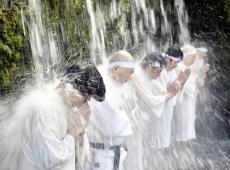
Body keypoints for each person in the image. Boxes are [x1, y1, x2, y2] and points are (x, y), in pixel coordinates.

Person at [0, 63, 105, 170]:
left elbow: (82, 159)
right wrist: (73, 133)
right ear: (70, 87)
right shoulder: (43, 109)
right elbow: (50, 161)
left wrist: (81, 132)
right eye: (85, 96)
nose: (87, 102)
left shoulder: (70, 108)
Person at [86, 50, 135, 170]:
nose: (131, 76)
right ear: (115, 69)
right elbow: (112, 122)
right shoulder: (103, 86)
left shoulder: (112, 83)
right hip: (104, 155)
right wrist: (129, 105)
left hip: (110, 151)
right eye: (129, 72)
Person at [172, 45, 209, 142]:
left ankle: (184, 154)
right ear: (186, 56)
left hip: (188, 106)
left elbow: (199, 83)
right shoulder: (179, 67)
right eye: (192, 57)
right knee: (181, 132)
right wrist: (201, 74)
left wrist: (202, 74)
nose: (194, 59)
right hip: (181, 105)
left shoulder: (188, 67)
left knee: (187, 130)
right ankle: (178, 154)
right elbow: (189, 87)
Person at [157, 44, 190, 148]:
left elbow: (176, 95)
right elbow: (159, 93)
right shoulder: (157, 69)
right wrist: (176, 83)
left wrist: (183, 81)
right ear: (168, 59)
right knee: (156, 141)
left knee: (164, 140)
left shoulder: (171, 71)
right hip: (157, 112)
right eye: (176, 63)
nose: (176, 66)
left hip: (167, 111)